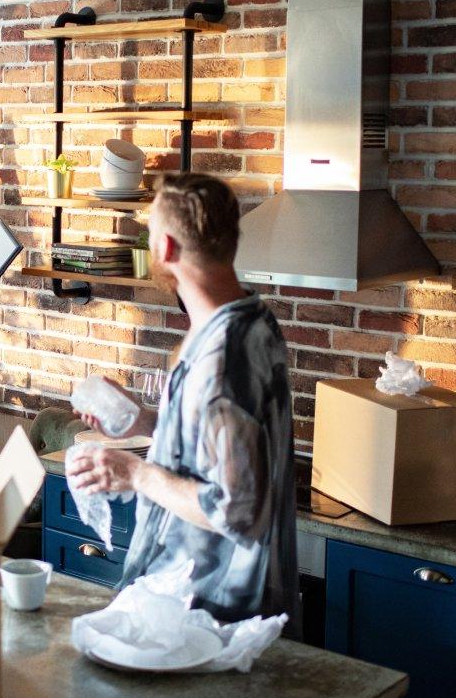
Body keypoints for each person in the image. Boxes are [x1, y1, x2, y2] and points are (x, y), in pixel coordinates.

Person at [68, 173, 299, 628]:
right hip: (194, 600)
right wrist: (146, 421)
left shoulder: (223, 358)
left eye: (150, 231)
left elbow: (235, 509)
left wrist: (135, 473)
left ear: (167, 248)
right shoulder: (250, 317)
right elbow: (212, 438)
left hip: (207, 611)